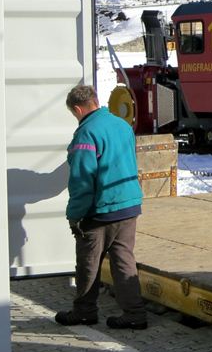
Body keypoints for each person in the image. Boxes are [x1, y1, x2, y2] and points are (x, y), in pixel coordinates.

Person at [54, 84, 148, 330]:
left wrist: (75, 216)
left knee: (88, 262)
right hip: (128, 205)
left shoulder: (86, 134)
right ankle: (134, 313)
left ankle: (84, 311)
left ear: (77, 109)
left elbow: (82, 180)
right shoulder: (122, 125)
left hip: (101, 209)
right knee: (123, 261)